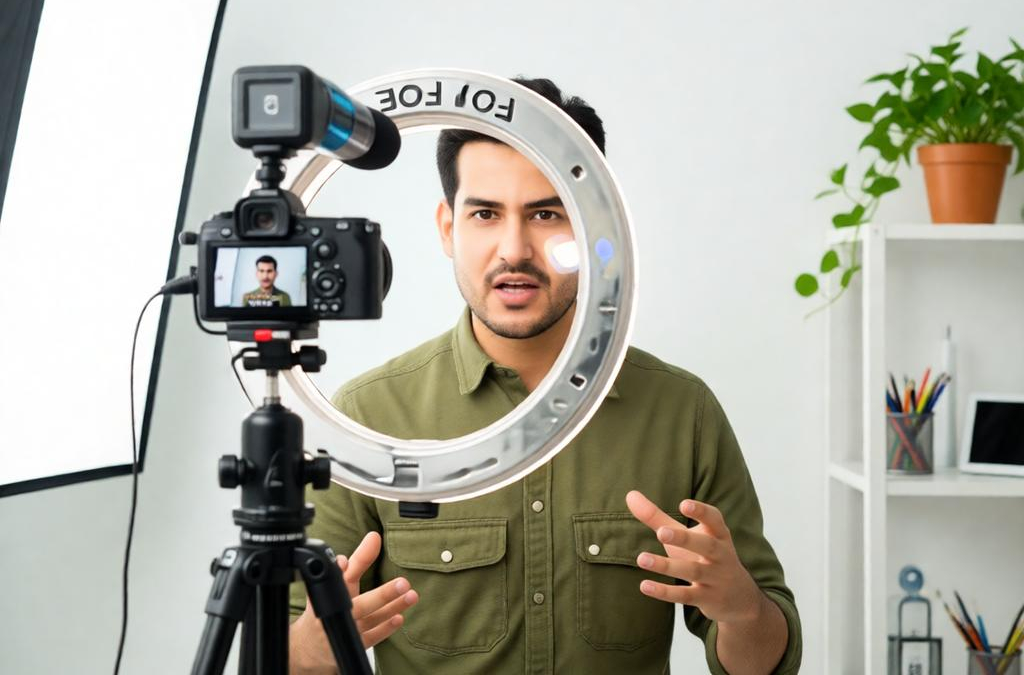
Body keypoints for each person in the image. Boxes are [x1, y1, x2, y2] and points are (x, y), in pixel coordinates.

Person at [288, 78, 802, 675]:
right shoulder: (366, 418)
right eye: (485, 213)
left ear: (594, 226)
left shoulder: (680, 411)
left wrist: (741, 611)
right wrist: (310, 651)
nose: (515, 249)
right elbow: (292, 649)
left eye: (546, 214)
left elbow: (766, 662)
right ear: (449, 227)